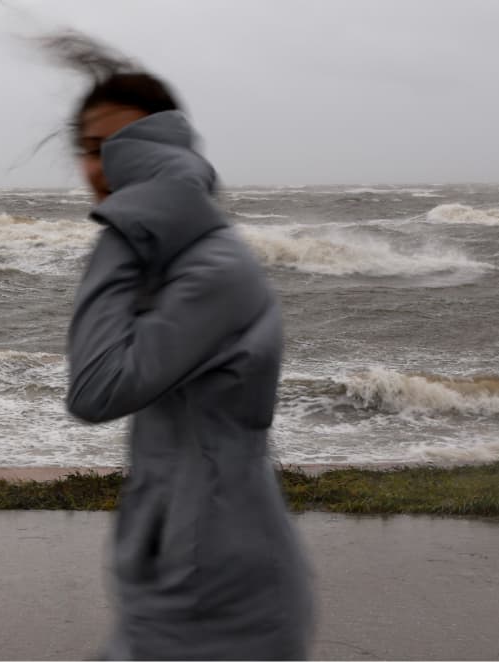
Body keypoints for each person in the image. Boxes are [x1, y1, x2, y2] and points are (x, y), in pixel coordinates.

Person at [63, 70, 314, 660]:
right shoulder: (171, 260)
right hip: (175, 570)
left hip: (217, 583)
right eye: (89, 149)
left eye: (118, 150)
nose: (99, 169)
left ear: (161, 158)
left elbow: (95, 389)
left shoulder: (213, 269)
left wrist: (122, 231)